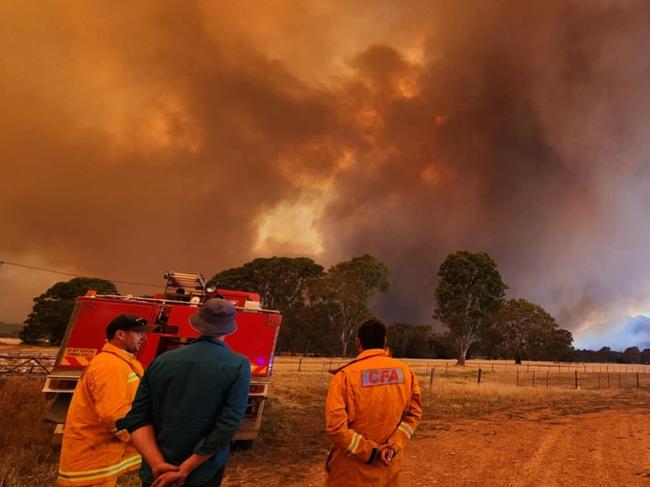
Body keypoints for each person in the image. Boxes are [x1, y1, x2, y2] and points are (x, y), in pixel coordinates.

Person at [117, 298, 251, 487]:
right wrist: (184, 470)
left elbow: (137, 417)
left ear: (197, 325)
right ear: (229, 329)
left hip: (158, 474)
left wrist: (157, 464)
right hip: (203, 472)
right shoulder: (238, 365)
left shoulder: (161, 361)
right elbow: (227, 426)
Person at [57, 314, 155, 486]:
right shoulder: (109, 366)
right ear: (120, 334)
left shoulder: (123, 362)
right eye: (138, 333)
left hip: (99, 456)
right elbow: (114, 414)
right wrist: (143, 440)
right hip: (90, 460)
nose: (144, 338)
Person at [324, 319, 422, 487]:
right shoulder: (406, 373)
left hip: (350, 474)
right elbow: (413, 415)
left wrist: (371, 452)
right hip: (388, 469)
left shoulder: (345, 377)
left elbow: (335, 428)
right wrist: (393, 446)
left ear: (357, 342)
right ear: (384, 342)